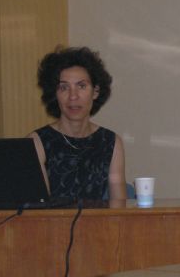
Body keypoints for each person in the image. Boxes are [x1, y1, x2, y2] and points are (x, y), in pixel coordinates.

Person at [29, 46, 127, 201]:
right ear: (54, 94)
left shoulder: (111, 142)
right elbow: (39, 209)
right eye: (64, 87)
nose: (73, 96)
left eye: (81, 86)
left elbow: (119, 207)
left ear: (95, 91)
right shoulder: (37, 142)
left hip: (100, 218)